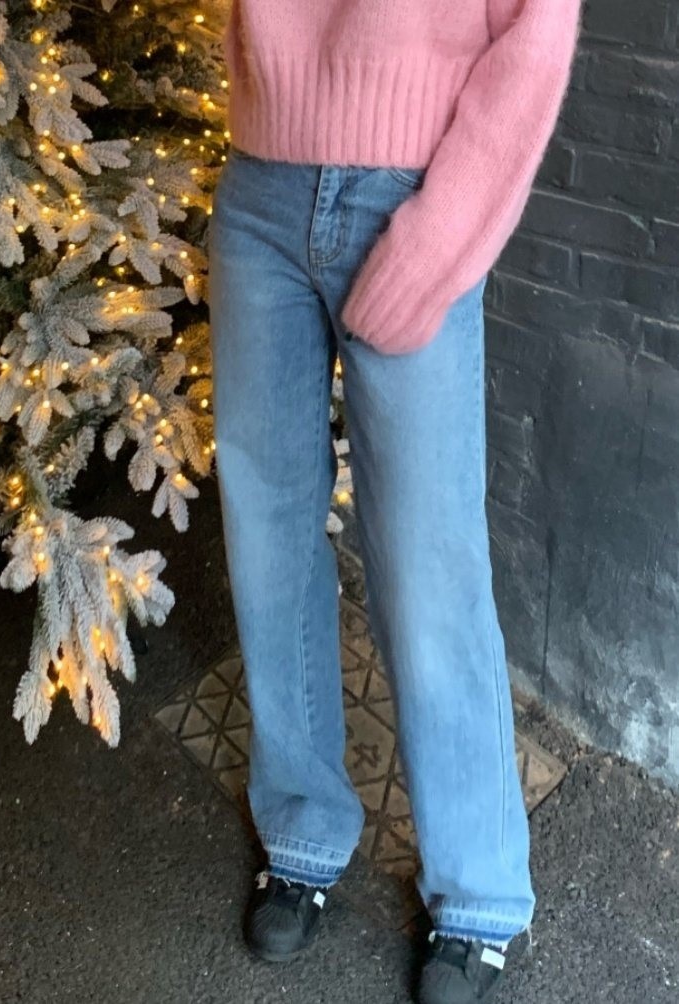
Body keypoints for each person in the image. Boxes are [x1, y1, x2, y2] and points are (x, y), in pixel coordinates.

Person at [207, 2, 582, 1001]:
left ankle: (477, 891)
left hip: (410, 190)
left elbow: (537, 30)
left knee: (427, 563)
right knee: (267, 536)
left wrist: (439, 237)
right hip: (259, 187)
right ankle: (301, 827)